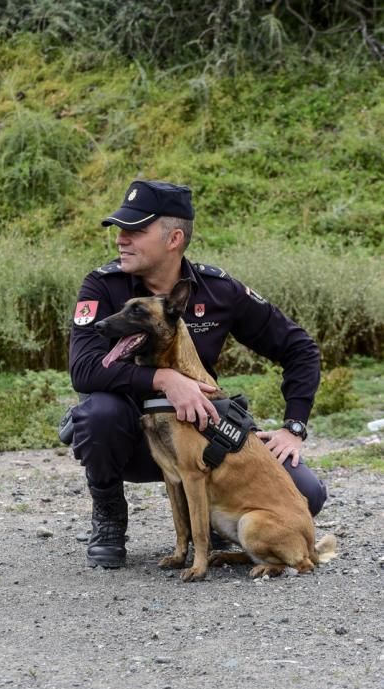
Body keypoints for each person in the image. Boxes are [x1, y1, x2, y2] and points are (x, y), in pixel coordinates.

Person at [69, 180, 327, 569]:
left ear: (174, 238)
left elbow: (300, 349)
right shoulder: (103, 285)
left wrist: (293, 427)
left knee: (307, 493)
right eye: (120, 230)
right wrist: (165, 380)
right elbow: (83, 369)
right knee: (96, 415)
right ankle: (108, 515)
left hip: (204, 437)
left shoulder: (219, 290)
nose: (121, 239)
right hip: (130, 440)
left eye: (135, 230)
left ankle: (220, 528)